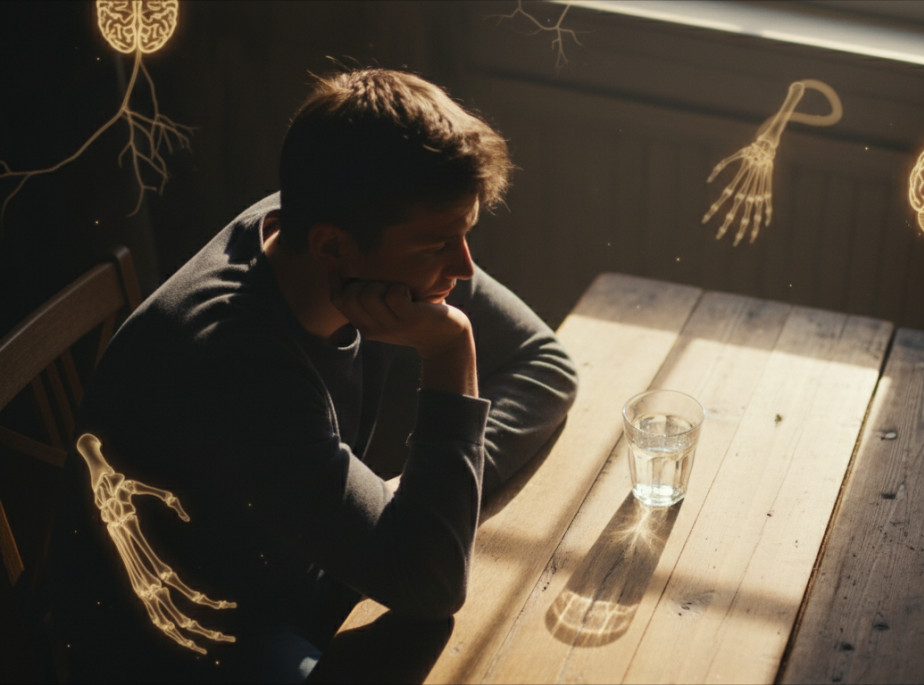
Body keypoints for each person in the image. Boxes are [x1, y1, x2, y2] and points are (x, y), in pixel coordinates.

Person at [39, 68, 578, 682]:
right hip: (184, 646)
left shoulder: (336, 218)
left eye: (466, 234)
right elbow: (431, 584)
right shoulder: (238, 368)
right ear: (331, 248)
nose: (464, 268)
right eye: (436, 246)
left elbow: (546, 364)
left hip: (294, 574)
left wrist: (432, 500)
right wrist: (450, 353)